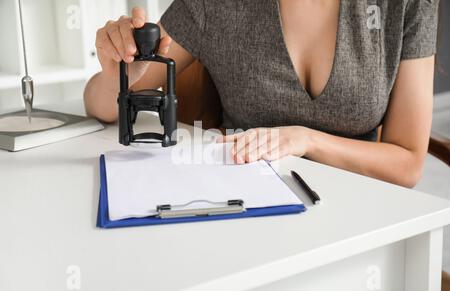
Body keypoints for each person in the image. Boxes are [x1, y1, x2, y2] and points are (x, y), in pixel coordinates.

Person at [84, 0, 439, 189]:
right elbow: (103, 106)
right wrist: (118, 74)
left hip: (362, 215)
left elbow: (407, 164)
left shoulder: (407, 5)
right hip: (246, 208)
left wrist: (305, 140)